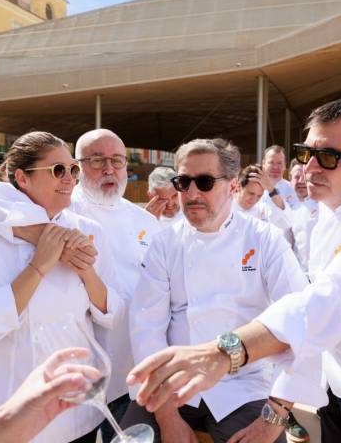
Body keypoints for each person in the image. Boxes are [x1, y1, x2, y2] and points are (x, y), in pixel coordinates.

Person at [127, 98, 341, 443]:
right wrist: (167, 410)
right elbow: (146, 326)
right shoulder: (332, 203)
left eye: (328, 157)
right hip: (333, 377)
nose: (310, 170)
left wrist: (226, 358)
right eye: (306, 154)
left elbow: (322, 305)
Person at [121, 138, 316, 443]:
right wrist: (166, 414)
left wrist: (275, 417)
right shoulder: (164, 243)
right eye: (184, 182)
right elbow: (147, 328)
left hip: (243, 387)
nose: (193, 193)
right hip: (172, 384)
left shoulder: (265, 240)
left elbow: (301, 320)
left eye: (205, 182)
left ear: (233, 186)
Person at [0, 131, 124, 443]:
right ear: (22, 178)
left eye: (74, 169)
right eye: (58, 170)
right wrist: (39, 264)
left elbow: (111, 313)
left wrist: (85, 271)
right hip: (13, 411)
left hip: (78, 408)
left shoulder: (88, 231)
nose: (69, 178)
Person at [72, 128, 162, 442]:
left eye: (117, 161)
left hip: (133, 365)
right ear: (77, 166)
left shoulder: (145, 221)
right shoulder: (64, 214)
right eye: (98, 161)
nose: (109, 169)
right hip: (80, 367)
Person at [233, 164, 293, 231]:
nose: (254, 199)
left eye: (259, 196)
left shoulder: (262, 209)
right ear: (238, 186)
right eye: (251, 193)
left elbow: (287, 222)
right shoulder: (225, 207)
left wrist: (271, 188)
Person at [287, 160, 319, 272]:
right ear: (290, 179)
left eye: (305, 177)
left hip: (321, 271)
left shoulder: (324, 205)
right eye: (296, 177)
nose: (301, 181)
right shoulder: (286, 208)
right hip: (298, 272)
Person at [261, 145, 298, 209]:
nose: (275, 167)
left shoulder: (293, 190)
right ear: (263, 164)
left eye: (279, 163)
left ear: (285, 166)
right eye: (271, 162)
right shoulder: (254, 187)